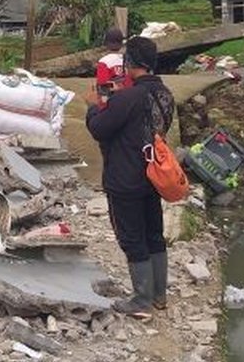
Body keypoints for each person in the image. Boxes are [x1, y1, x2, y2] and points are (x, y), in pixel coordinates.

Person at [85, 36, 175, 319]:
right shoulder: (165, 94)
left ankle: (141, 300)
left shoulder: (127, 97)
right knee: (154, 235)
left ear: (129, 63)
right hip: (153, 175)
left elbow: (100, 128)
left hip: (125, 178)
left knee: (132, 238)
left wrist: (93, 105)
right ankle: (159, 296)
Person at [94, 28, 131, 101]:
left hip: (111, 101)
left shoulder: (103, 62)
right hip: (127, 99)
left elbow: (103, 86)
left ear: (106, 44)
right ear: (121, 44)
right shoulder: (128, 61)